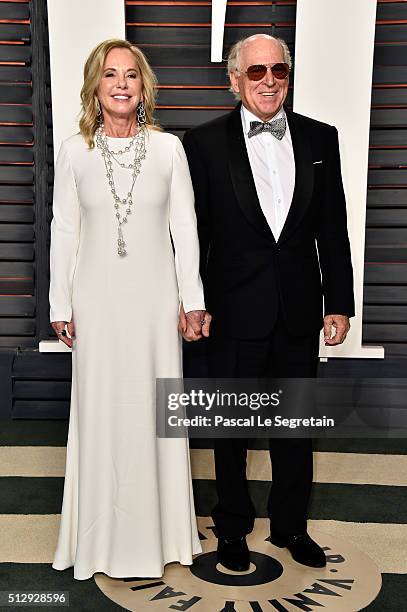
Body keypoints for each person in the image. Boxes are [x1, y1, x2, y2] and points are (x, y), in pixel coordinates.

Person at [183, 34, 354, 571]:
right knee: (229, 432)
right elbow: (192, 235)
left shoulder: (321, 139)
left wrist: (340, 302)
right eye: (255, 71)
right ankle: (232, 528)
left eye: (277, 70)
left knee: (295, 430)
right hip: (232, 312)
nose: (268, 80)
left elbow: (334, 230)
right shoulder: (203, 143)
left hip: (301, 311)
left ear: (288, 75)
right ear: (234, 79)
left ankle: (290, 528)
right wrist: (193, 302)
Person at [49, 38, 209, 580]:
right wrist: (59, 300)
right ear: (95, 85)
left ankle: (160, 538)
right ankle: (96, 541)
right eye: (111, 74)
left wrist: (193, 302)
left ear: (145, 88)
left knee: (154, 411)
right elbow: (65, 228)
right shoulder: (74, 151)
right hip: (95, 300)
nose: (121, 83)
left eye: (132, 75)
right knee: (100, 411)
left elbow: (184, 228)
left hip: (154, 303)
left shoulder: (169, 150)